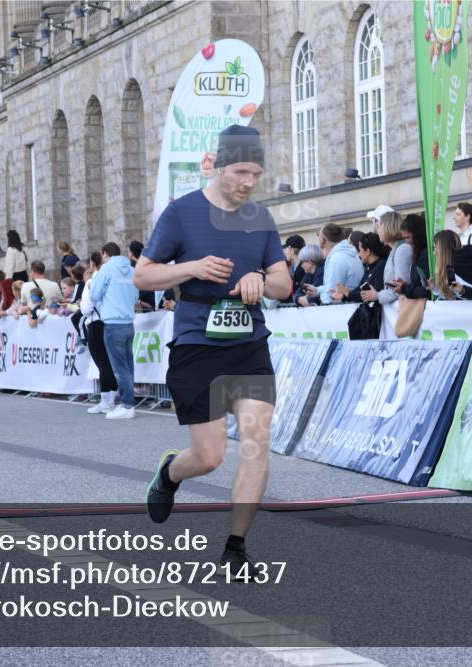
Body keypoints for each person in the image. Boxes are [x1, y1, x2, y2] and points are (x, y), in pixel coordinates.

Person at [134, 125, 292, 575]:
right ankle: (169, 474)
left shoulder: (260, 218)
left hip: (249, 345)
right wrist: (192, 268)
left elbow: (284, 283)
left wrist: (261, 281)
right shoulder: (182, 214)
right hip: (196, 344)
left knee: (257, 443)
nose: (247, 181)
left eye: (255, 173)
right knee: (209, 456)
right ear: (217, 163)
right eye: (240, 171)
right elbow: (143, 277)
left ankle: (236, 549)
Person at [89, 242, 139, 420]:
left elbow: (94, 295)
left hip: (112, 322)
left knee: (119, 368)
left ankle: (127, 405)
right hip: (128, 321)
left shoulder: (107, 269)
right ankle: (128, 402)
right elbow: (135, 296)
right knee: (127, 365)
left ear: (105, 254)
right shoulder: (132, 270)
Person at [78, 255, 119, 413]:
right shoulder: (111, 281)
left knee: (102, 363)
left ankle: (105, 401)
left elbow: (86, 308)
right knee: (109, 362)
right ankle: (110, 399)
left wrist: (82, 305)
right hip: (110, 321)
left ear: (93, 264)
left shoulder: (91, 282)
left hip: (95, 323)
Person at [429, 230, 472, 300]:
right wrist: (435, 288)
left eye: (434, 248)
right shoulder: (468, 250)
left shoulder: (456, 264)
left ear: (442, 249)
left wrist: (462, 291)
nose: (434, 252)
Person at [371, 210, 414, 305]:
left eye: (380, 225)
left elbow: (401, 288)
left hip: (403, 310)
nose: (377, 229)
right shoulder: (395, 250)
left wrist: (377, 295)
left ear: (388, 227)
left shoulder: (402, 249)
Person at [314, 223, 363, 304]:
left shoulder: (337, 258)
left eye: (319, 235)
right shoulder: (347, 253)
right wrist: (318, 290)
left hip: (344, 310)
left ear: (323, 240)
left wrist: (319, 297)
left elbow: (332, 295)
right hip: (350, 307)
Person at [338, 233, 389, 303]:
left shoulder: (381, 267)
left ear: (367, 251)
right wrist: (344, 295)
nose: (359, 254)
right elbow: (360, 290)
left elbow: (369, 295)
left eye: (360, 250)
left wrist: (348, 293)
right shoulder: (369, 267)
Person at [128, 240, 157, 312]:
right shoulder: (149, 264)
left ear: (131, 254)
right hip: (153, 301)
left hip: (144, 304)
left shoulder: (132, 268)